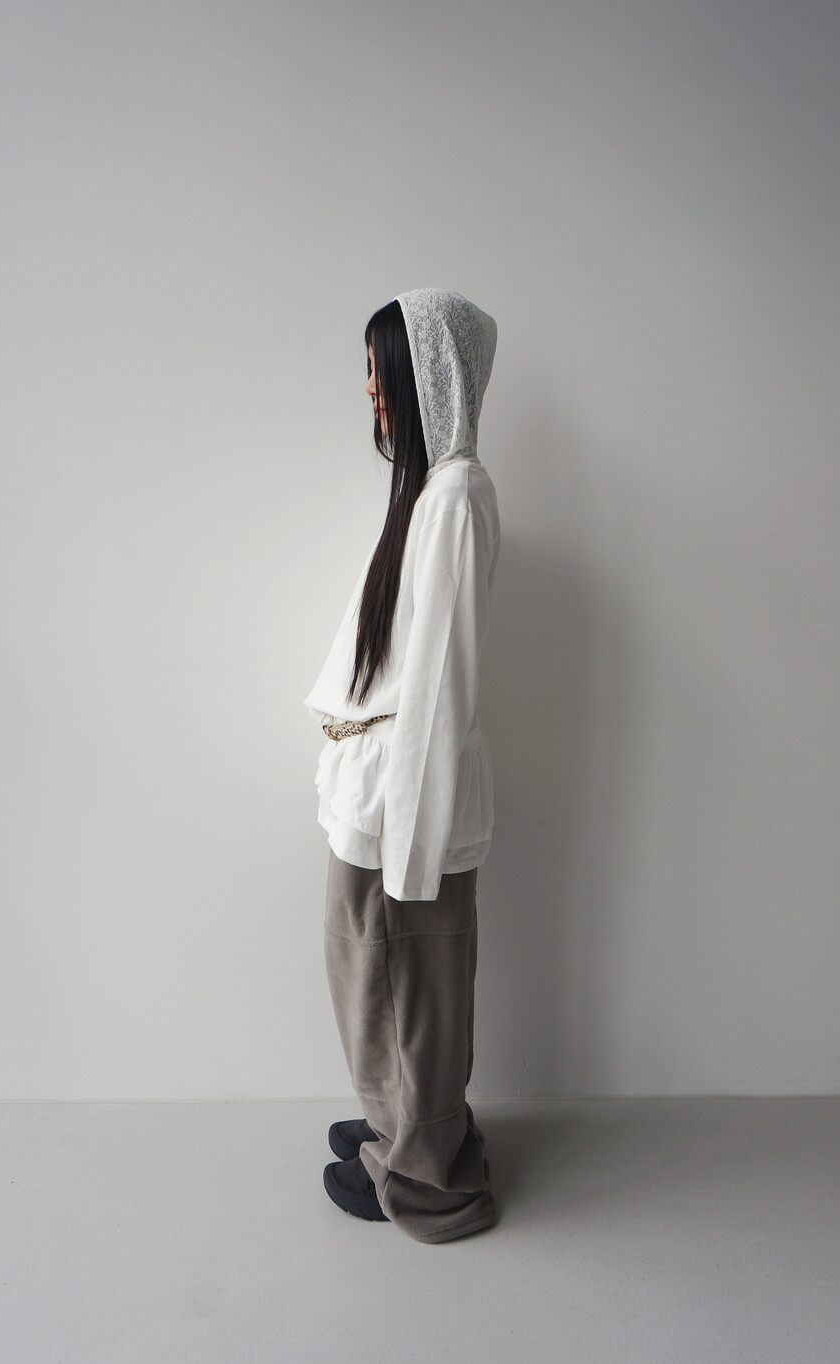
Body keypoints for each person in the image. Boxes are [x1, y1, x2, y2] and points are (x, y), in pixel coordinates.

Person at [303, 287, 501, 1245]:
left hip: (403, 802)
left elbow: (441, 688)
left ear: (431, 375)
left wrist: (413, 852)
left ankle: (427, 1176)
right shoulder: (428, 494)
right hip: (374, 786)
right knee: (372, 975)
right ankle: (398, 1124)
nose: (371, 391)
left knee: (409, 987)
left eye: (382, 371)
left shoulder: (455, 496)